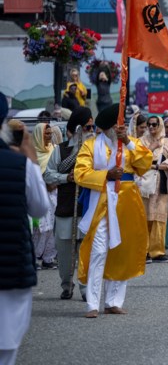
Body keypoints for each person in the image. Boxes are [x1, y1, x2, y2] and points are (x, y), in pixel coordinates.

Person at [75, 104, 153, 318]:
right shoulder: (91, 145)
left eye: (123, 125)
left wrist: (127, 142)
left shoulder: (132, 143)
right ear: (108, 128)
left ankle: (113, 301)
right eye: (118, 126)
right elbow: (80, 173)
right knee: (99, 250)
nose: (121, 128)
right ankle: (92, 303)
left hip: (127, 202)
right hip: (101, 202)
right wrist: (106, 175)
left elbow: (145, 164)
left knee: (122, 250)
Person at [0, 93, 51, 364]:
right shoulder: (21, 165)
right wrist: (28, 153)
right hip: (11, 267)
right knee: (7, 346)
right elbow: (40, 208)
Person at [43, 106, 95, 300]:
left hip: (88, 208)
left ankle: (85, 289)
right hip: (66, 209)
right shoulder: (61, 150)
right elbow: (48, 175)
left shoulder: (96, 150)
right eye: (87, 128)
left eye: (93, 127)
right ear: (76, 129)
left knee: (86, 253)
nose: (91, 132)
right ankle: (67, 285)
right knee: (65, 256)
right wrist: (67, 178)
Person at [139, 115, 168, 263]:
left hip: (161, 181)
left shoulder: (166, 142)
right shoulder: (142, 141)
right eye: (149, 124)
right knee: (145, 216)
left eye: (155, 124)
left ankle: (157, 251)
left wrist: (158, 165)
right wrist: (151, 148)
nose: (151, 127)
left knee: (159, 216)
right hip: (146, 182)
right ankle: (144, 251)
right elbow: (138, 160)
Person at [32, 122, 59, 270]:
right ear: (38, 135)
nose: (49, 136)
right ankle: (34, 257)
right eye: (46, 134)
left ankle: (48, 258)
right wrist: (44, 182)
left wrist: (54, 182)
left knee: (52, 227)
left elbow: (59, 168)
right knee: (40, 228)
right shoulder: (32, 153)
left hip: (55, 192)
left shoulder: (54, 150)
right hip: (39, 194)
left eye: (50, 133)